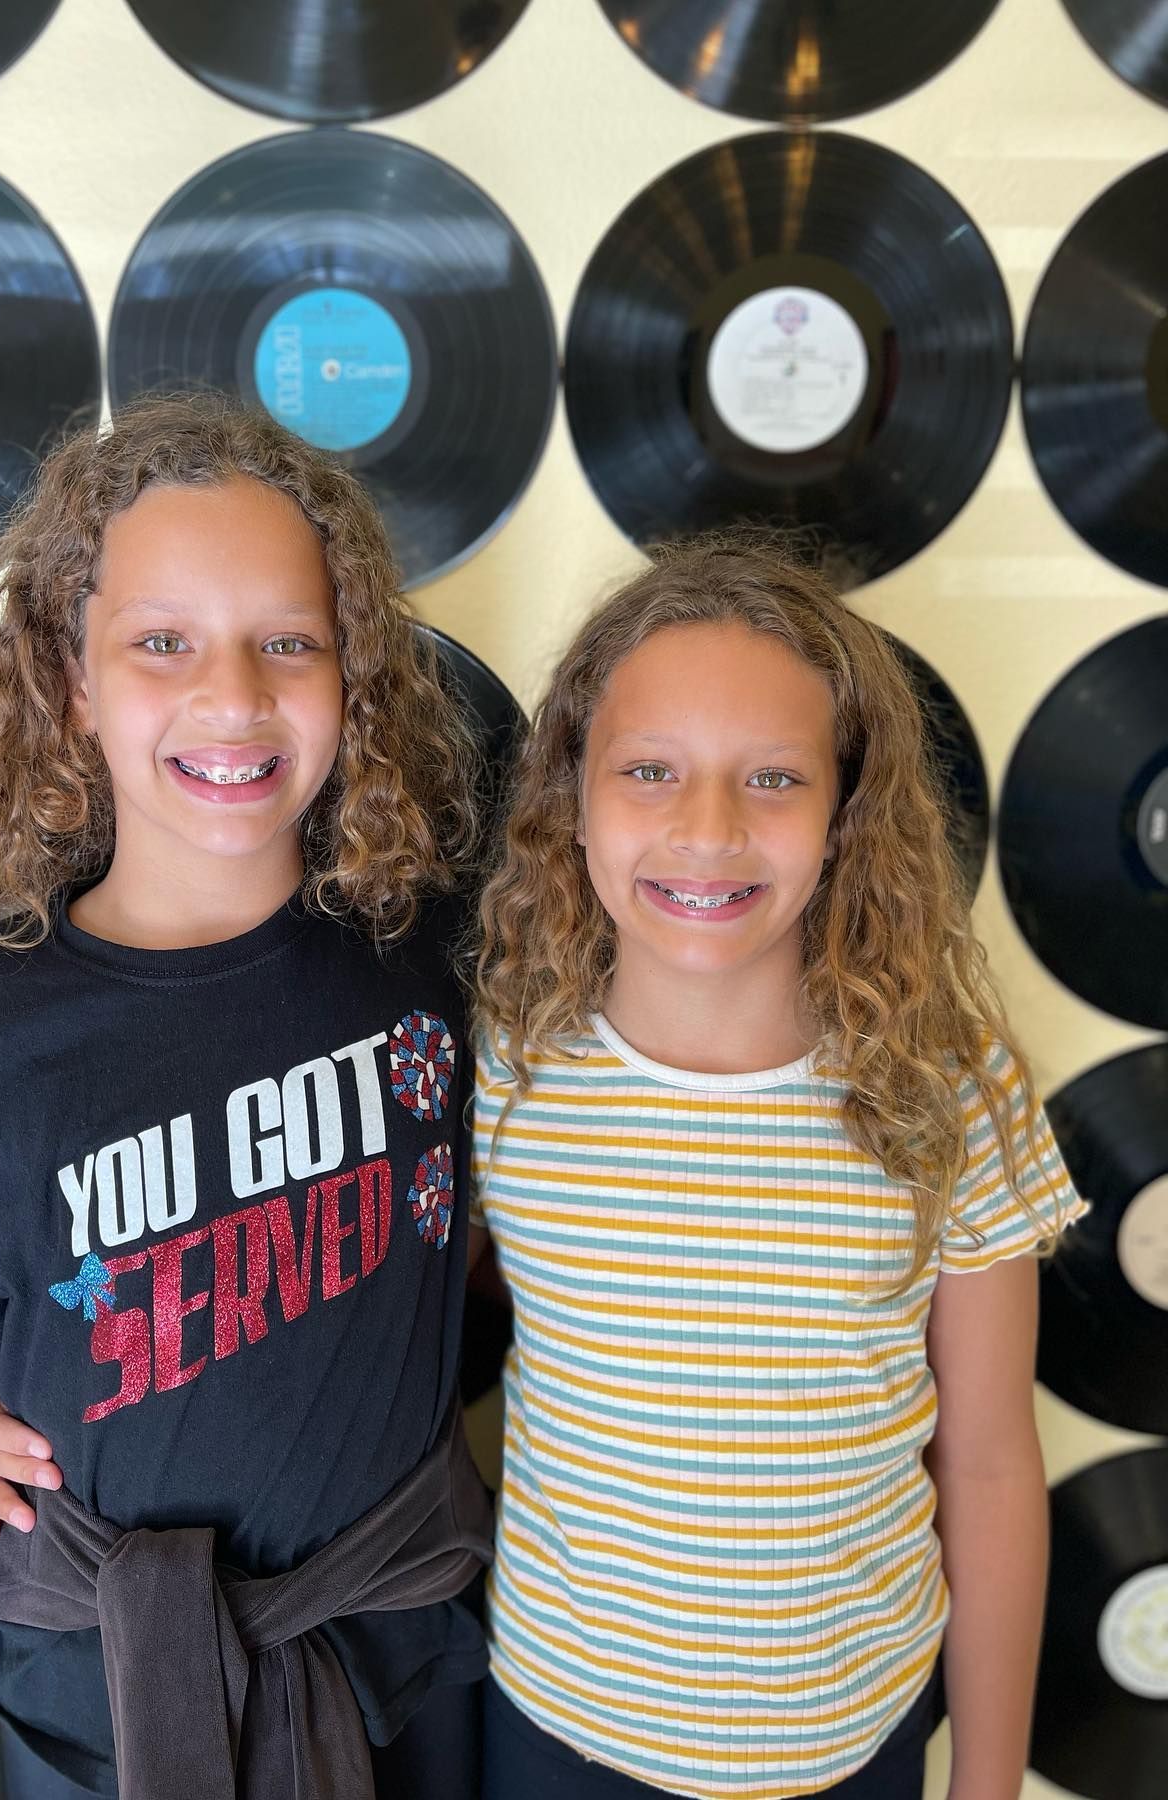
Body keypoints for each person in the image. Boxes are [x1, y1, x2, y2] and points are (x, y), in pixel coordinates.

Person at [0, 391, 494, 1800]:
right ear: (71, 680)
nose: (233, 696)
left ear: (353, 675)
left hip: (409, 1701)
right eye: (162, 643)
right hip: (92, 1735)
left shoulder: (439, 967)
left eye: (289, 643)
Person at [462, 536, 1086, 1799]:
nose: (708, 831)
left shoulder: (943, 1086)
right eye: (649, 771)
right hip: (555, 1730)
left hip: (851, 1742)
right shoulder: (501, 1062)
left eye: (772, 778)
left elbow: (988, 1461)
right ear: (572, 797)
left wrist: (992, 1780)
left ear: (846, 807)